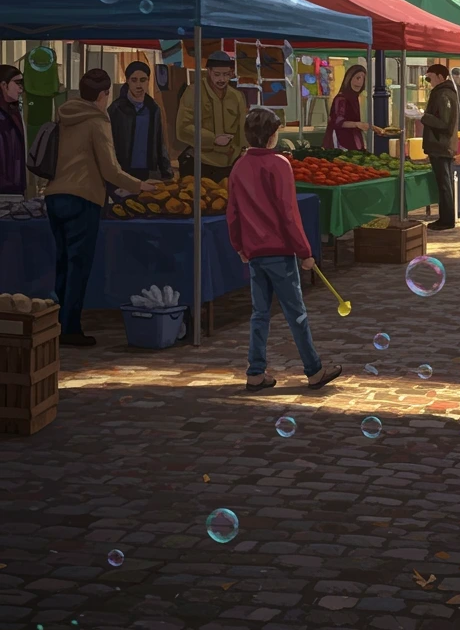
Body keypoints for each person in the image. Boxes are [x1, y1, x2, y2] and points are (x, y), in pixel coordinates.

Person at [227, 106, 341, 392]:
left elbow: (233, 212)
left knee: (259, 313)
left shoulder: (239, 166)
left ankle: (255, 372)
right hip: (279, 251)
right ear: (270, 135)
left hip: (254, 252)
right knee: (296, 312)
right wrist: (305, 251)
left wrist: (239, 245)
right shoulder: (279, 164)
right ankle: (314, 370)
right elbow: (289, 214)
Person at [46, 69, 151, 346]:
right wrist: (140, 185)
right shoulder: (97, 120)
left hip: (54, 196)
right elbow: (111, 170)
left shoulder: (65, 114)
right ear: (104, 95)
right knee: (78, 266)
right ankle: (69, 329)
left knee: (62, 263)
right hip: (82, 198)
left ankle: (57, 324)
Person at [176, 50, 246, 182]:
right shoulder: (193, 92)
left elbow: (242, 130)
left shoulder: (237, 96)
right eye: (217, 74)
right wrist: (213, 139)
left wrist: (243, 151)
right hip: (200, 163)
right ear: (208, 71)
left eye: (226, 74)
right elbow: (183, 129)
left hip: (229, 165)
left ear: (231, 73)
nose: (222, 79)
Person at [108, 61, 172, 181]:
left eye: (143, 80)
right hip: (122, 171)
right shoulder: (117, 109)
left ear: (148, 81)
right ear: (127, 81)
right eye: (134, 80)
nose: (139, 85)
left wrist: (166, 171)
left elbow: (159, 141)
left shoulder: (153, 108)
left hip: (147, 171)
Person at [418, 63, 459, 231]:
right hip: (442, 144)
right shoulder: (444, 92)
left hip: (440, 145)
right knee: (445, 183)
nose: (428, 81)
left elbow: (444, 123)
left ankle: (446, 220)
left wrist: (423, 117)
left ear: (440, 77)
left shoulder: (443, 94)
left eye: (430, 77)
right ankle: (447, 218)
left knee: (444, 184)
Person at [323, 64, 370, 151]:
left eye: (363, 79)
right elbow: (338, 121)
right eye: (357, 78)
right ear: (349, 79)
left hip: (354, 140)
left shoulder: (357, 98)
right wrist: (357, 124)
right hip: (340, 140)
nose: (360, 82)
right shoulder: (341, 99)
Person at [0, 64, 26, 197]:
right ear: (4, 85)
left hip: (14, 187)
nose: (21, 89)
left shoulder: (14, 113)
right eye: (17, 83)